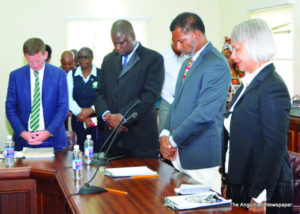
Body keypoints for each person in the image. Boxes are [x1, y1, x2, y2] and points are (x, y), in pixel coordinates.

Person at [223, 19, 293, 213]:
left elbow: (274, 147)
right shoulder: (248, 84)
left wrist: (259, 196)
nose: (232, 55)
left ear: (254, 46)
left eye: (237, 49)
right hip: (242, 182)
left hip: (263, 191)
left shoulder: (272, 87)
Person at [159, 12, 231, 193]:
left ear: (196, 35)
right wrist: (164, 134)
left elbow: (204, 114)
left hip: (201, 159)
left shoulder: (216, 63)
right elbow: (176, 104)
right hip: (179, 157)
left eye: (181, 41)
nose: (177, 46)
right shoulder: (187, 63)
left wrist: (173, 141)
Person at [95, 19, 164, 158]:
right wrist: (107, 116)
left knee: (143, 180)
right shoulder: (108, 60)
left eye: (121, 42)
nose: (118, 47)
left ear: (132, 36)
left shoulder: (153, 58)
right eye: (114, 43)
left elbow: (149, 96)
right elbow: (100, 92)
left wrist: (122, 117)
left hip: (140, 139)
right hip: (112, 140)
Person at [5, 38, 68, 151]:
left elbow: (63, 107)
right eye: (30, 61)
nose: (34, 65)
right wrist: (22, 132)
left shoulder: (59, 74)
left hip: (53, 139)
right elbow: (10, 108)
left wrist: (48, 132)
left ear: (45, 55)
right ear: (25, 57)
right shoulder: (16, 76)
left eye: (38, 61)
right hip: (24, 140)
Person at [67, 47, 103, 152]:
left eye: (86, 57)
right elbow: (68, 97)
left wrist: (91, 110)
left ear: (92, 58)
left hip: (97, 120)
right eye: (80, 57)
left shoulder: (101, 74)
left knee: (97, 149)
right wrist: (81, 113)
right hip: (78, 119)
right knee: (79, 149)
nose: (83, 60)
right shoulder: (71, 74)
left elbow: (103, 96)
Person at [158, 42, 187, 132]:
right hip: (167, 102)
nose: (179, 45)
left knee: (182, 134)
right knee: (164, 134)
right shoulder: (162, 56)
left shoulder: (188, 57)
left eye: (182, 41)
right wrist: (171, 100)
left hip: (184, 103)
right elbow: (159, 82)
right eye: (177, 41)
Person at [221, 37, 245, 110]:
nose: (228, 60)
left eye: (229, 57)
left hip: (238, 107)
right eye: (226, 57)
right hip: (224, 107)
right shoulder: (220, 72)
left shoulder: (240, 71)